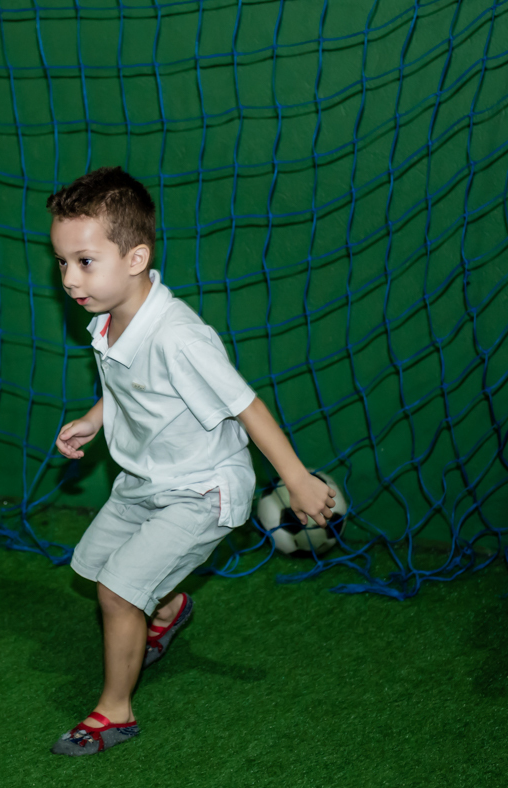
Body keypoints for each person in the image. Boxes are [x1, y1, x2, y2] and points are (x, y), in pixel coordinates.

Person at [48, 166, 335, 757]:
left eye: (83, 261)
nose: (70, 279)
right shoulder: (107, 314)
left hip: (202, 489)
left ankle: (115, 712)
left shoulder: (179, 336)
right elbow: (134, 385)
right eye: (62, 263)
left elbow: (246, 405)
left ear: (135, 257)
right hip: (145, 478)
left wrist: (297, 480)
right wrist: (95, 418)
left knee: (117, 593)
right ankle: (171, 608)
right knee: (91, 567)